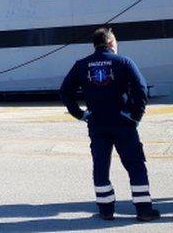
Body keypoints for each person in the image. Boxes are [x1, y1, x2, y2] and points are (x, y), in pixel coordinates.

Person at [59, 28, 160, 222]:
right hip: (123, 123)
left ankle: (106, 210)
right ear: (112, 43)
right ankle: (144, 210)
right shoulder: (123, 62)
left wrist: (80, 114)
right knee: (135, 165)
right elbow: (140, 88)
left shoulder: (82, 64)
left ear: (95, 45)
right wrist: (135, 115)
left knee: (100, 166)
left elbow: (65, 92)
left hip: (97, 123)